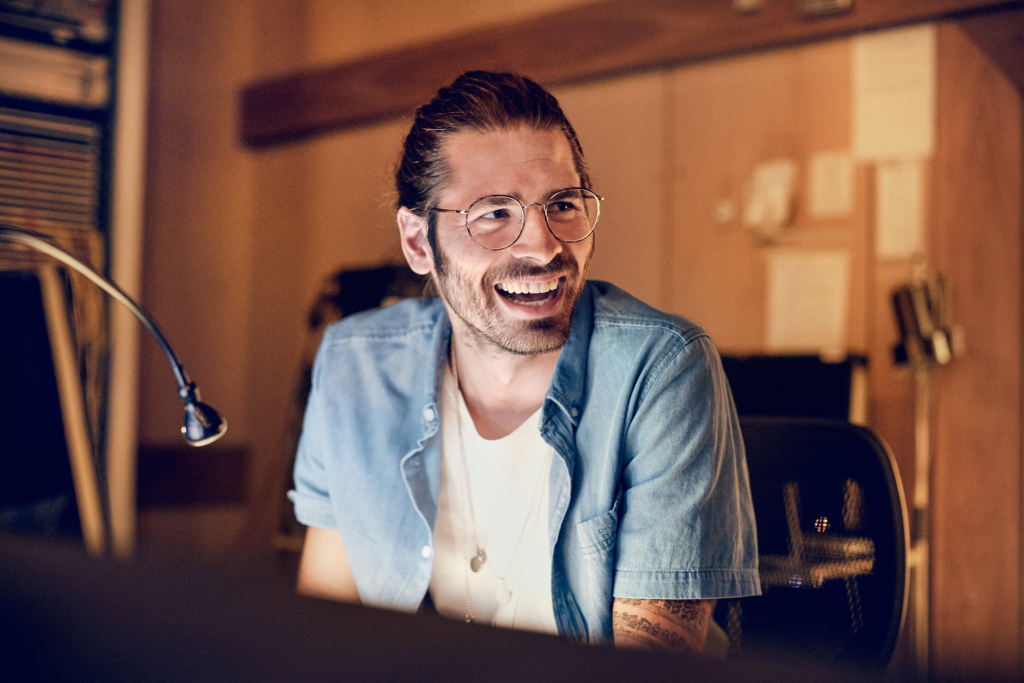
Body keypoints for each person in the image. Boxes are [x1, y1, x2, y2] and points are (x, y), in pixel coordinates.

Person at [289, 71, 760, 653]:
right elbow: (327, 635)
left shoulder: (661, 369)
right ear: (418, 243)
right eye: (493, 215)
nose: (543, 246)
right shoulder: (353, 367)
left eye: (562, 204)